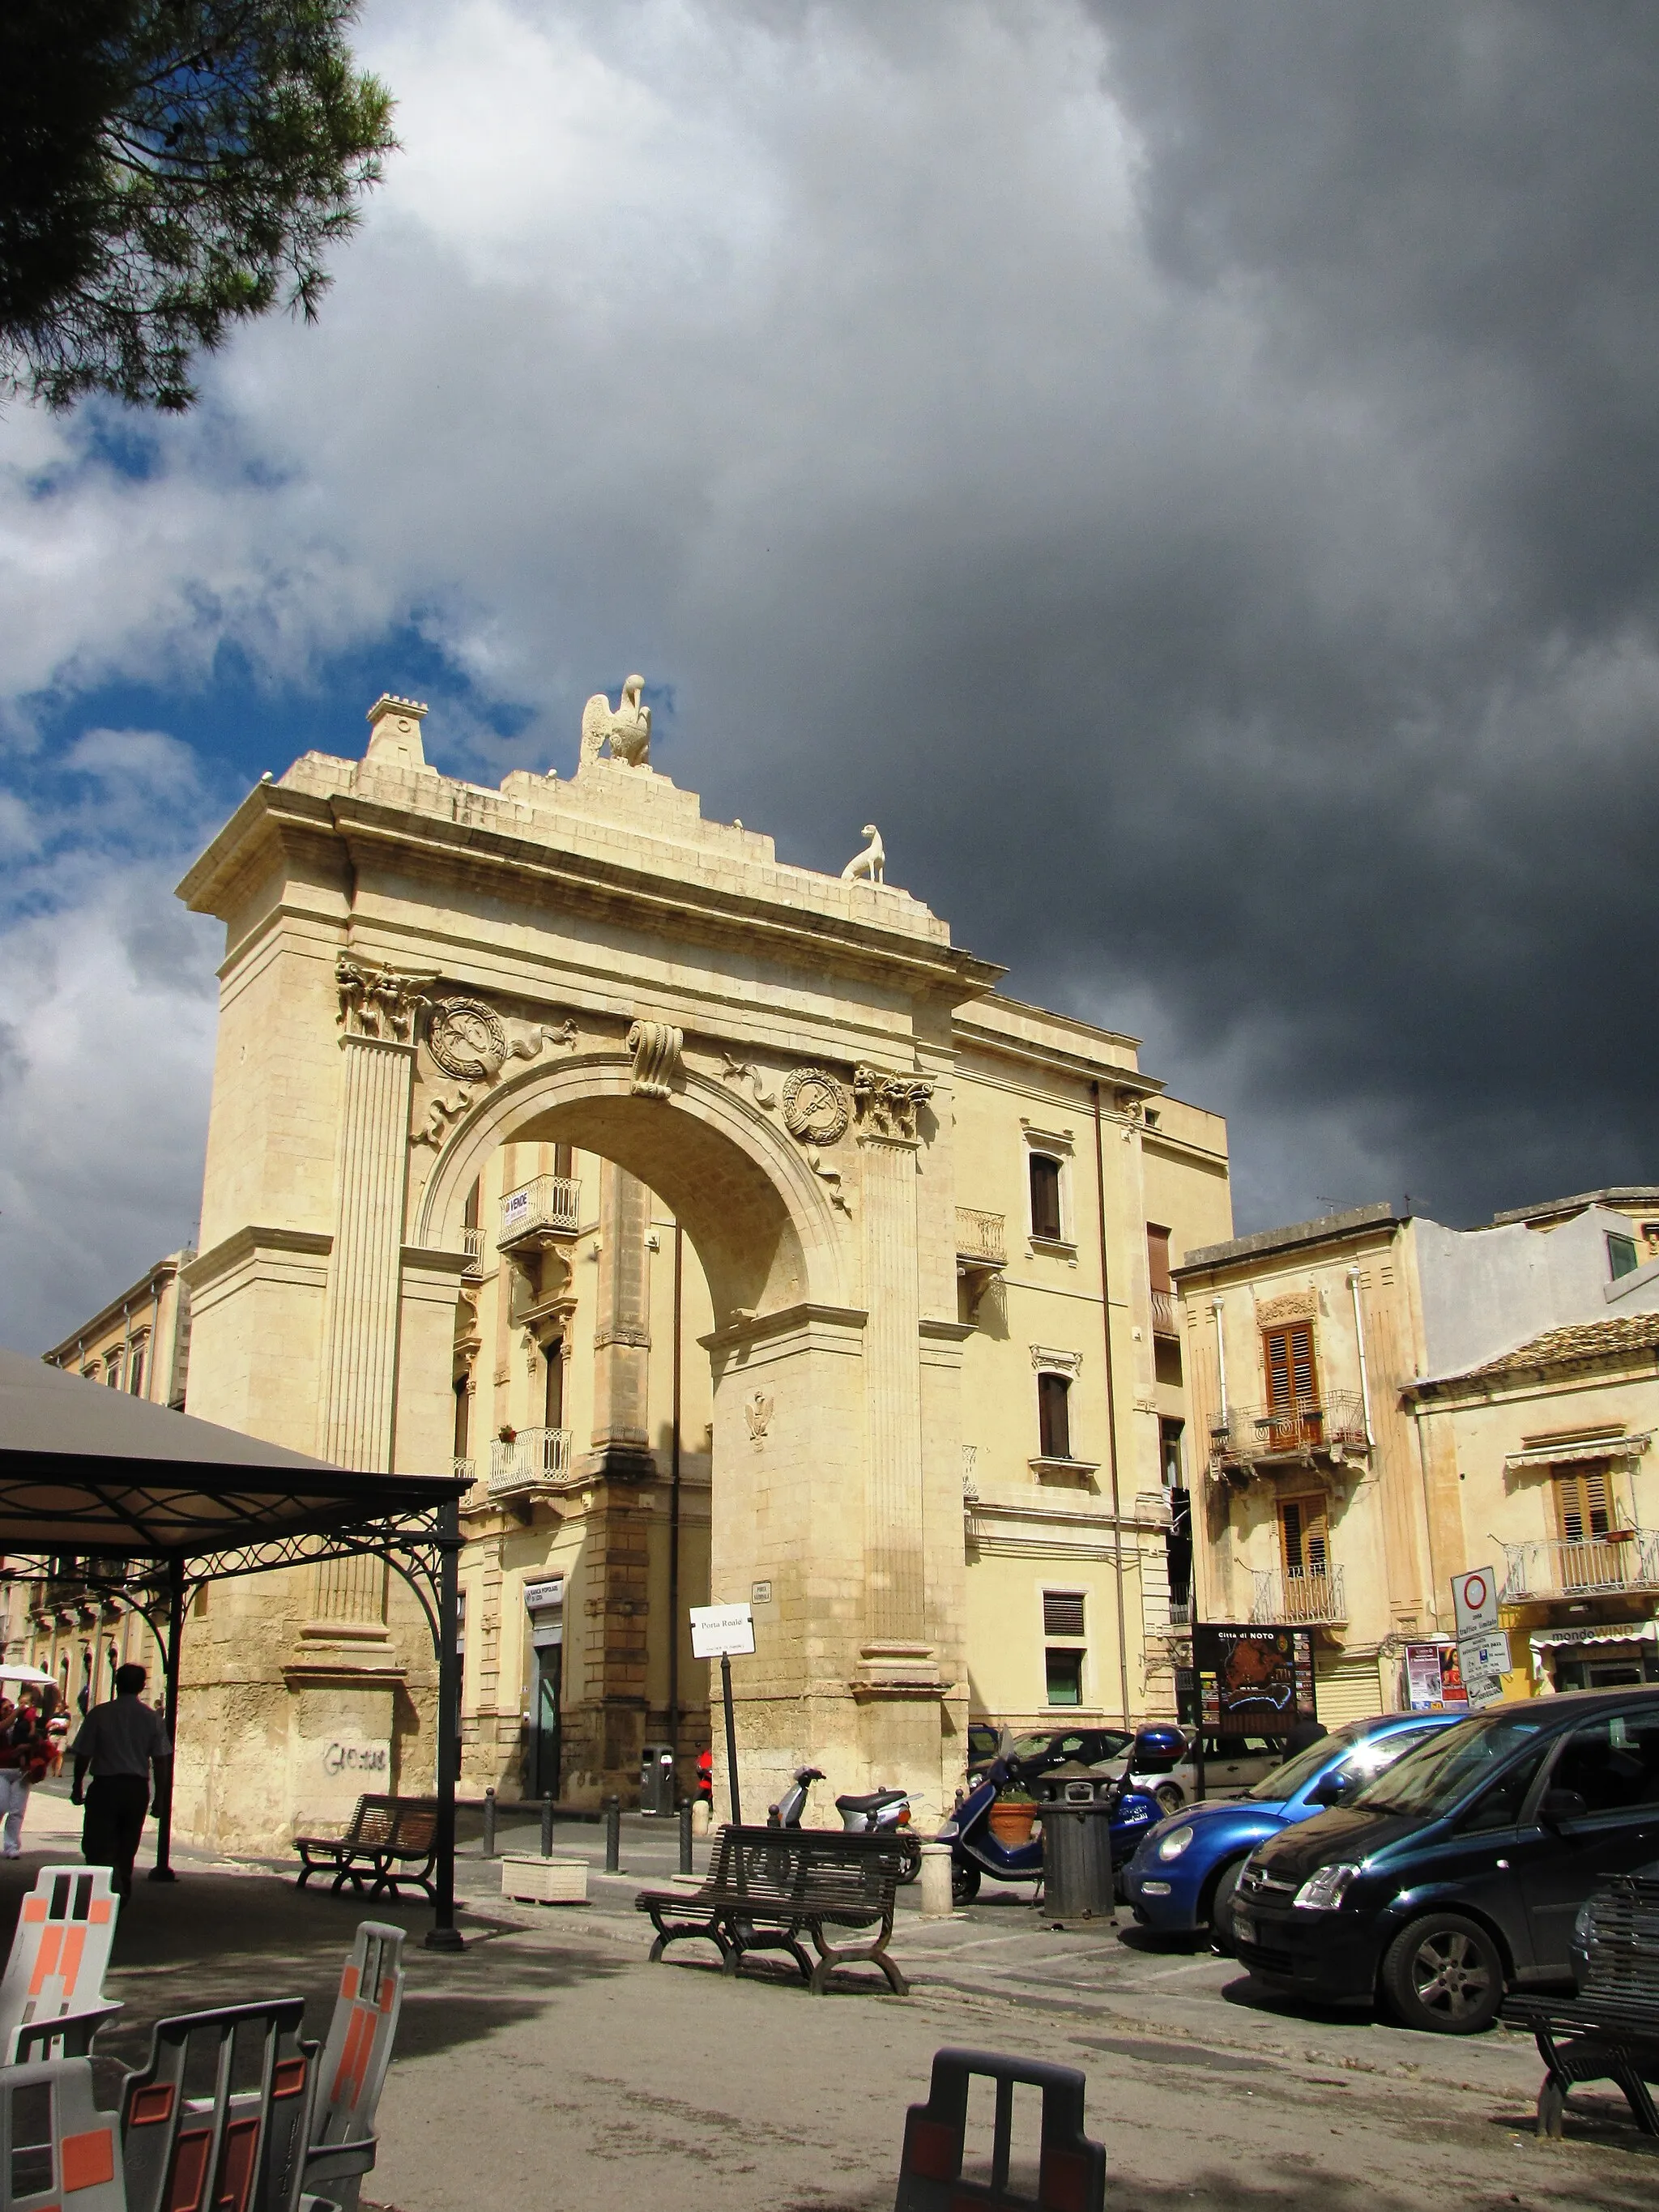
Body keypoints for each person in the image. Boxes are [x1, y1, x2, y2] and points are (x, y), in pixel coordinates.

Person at [70, 1664, 171, 1899]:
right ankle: (121, 1888)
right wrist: (160, 1798)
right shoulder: (152, 1719)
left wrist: (77, 1784)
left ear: (117, 1684)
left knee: (97, 1842)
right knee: (128, 1844)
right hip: (135, 1789)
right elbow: (161, 1761)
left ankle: (101, 1888)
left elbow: (84, 1753)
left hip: (105, 1787)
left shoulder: (99, 1714)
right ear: (142, 1686)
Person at [0, 1694, 50, 1857]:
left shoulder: (23, 1723)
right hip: (2, 1771)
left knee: (17, 1810)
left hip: (21, 1772)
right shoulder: (5, 1724)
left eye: (10, 1706)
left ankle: (12, 1846)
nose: (9, 1710)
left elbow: (37, 1740)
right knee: (1, 1806)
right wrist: (16, 1713)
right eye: (5, 1708)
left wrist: (27, 1745)